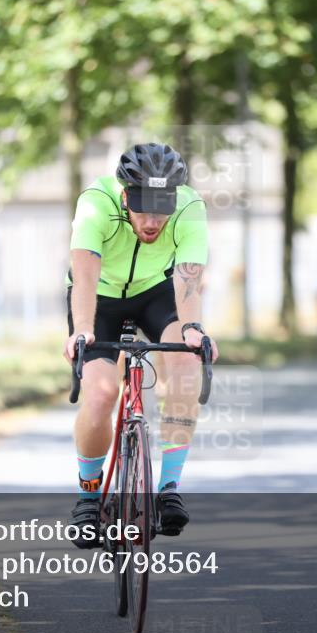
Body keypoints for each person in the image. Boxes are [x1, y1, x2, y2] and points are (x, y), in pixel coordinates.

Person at [63, 143, 218, 548]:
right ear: (125, 195)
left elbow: (187, 283)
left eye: (161, 208)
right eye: (143, 208)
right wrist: (81, 330)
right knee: (100, 393)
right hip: (99, 299)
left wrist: (193, 330)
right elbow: (84, 279)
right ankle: (89, 496)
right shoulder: (96, 204)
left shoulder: (189, 207)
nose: (152, 221)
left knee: (184, 370)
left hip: (156, 293)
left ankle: (168, 489)